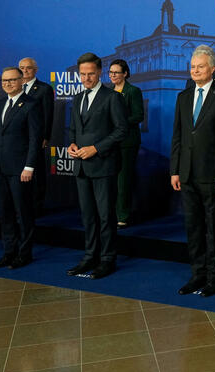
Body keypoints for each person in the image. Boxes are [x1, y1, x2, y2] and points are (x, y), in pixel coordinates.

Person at [170, 47, 215, 297]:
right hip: (186, 173)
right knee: (193, 227)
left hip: (213, 175)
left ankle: (214, 277)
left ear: (212, 69)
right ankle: (197, 275)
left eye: (200, 66)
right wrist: (175, 170)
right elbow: (178, 136)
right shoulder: (183, 97)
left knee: (214, 228)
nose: (195, 70)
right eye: (192, 67)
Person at [66, 53, 127, 279]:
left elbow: (122, 130)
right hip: (81, 166)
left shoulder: (112, 97)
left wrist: (96, 148)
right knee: (88, 216)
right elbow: (74, 129)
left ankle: (107, 259)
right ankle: (90, 256)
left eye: (90, 73)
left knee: (105, 216)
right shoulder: (77, 98)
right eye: (82, 74)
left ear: (100, 72)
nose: (86, 78)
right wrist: (72, 144)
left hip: (104, 165)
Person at [0, 67, 41, 269]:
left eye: (12, 80)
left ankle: (24, 254)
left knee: (23, 213)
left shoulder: (31, 105)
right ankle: (9, 252)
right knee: (5, 212)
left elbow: (35, 139)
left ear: (22, 81)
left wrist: (29, 166)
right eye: (4, 80)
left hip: (20, 169)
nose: (7, 83)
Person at [109, 59, 144, 227]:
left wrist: (119, 123)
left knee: (123, 181)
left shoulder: (133, 91)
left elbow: (138, 116)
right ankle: (110, 213)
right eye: (111, 72)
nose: (113, 75)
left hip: (127, 142)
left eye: (116, 72)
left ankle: (122, 216)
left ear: (125, 73)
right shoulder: (107, 91)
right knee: (110, 180)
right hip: (109, 142)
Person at [19, 57, 55, 214]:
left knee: (37, 172)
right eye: (22, 68)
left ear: (35, 70)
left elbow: (48, 114)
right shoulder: (15, 87)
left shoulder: (44, 89)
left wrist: (45, 136)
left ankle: (37, 206)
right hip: (18, 138)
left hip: (36, 138)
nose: (24, 71)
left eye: (28, 68)